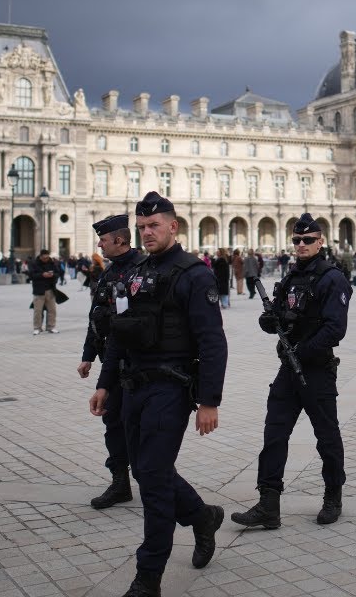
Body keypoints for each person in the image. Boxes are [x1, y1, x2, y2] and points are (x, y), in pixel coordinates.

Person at [90, 192, 227, 596]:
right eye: (142, 226)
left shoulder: (194, 274)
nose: (147, 232)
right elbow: (119, 332)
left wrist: (209, 401)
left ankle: (147, 577)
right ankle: (201, 517)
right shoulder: (132, 275)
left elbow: (212, 342)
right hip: (132, 387)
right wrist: (105, 382)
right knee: (149, 469)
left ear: (173, 227)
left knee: (150, 481)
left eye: (154, 226)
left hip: (170, 387)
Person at [233, 213, 351, 530]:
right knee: (274, 434)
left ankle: (333, 496)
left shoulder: (332, 278)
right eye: (297, 240)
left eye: (308, 240)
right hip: (289, 369)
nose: (301, 245)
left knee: (326, 437)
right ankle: (268, 504)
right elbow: (277, 318)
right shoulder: (289, 277)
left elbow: (335, 329)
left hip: (316, 370)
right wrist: (269, 322)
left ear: (320, 241)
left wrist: (303, 349)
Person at [80, 214, 148, 510]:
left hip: (135, 364)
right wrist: (87, 355)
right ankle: (120, 482)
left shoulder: (142, 269)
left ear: (119, 240)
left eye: (104, 240)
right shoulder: (109, 272)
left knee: (137, 427)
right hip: (111, 360)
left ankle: (152, 481)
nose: (99, 244)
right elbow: (96, 316)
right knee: (112, 424)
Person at [29, 249, 60, 335]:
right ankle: (37, 328)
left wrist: (53, 275)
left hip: (50, 290)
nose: (46, 259)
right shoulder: (34, 264)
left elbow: (58, 273)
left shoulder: (52, 263)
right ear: (41, 256)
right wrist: (42, 275)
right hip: (39, 290)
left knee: (52, 310)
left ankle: (51, 327)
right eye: (44, 258)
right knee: (37, 311)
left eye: (47, 257)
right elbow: (31, 275)